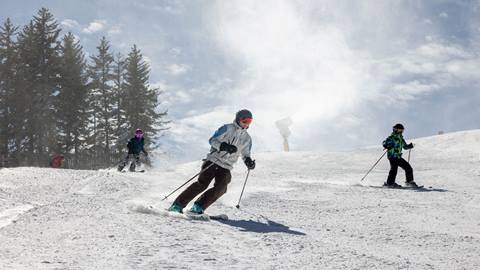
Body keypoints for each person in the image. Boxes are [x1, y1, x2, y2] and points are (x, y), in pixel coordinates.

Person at [168, 109, 256, 214]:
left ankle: (198, 207)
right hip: (213, 161)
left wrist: (248, 162)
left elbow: (245, 154)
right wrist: (224, 146)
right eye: (244, 121)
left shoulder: (247, 138)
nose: (246, 124)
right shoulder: (227, 128)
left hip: (226, 166)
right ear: (238, 119)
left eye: (249, 122)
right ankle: (177, 205)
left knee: (221, 188)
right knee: (202, 184)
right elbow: (213, 140)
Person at [382, 123, 419, 188]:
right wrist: (386, 145)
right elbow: (384, 142)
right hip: (392, 156)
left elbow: (405, 147)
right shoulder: (392, 137)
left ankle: (409, 182)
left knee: (408, 168)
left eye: (402, 131)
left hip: (398, 157)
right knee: (394, 169)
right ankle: (390, 183)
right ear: (395, 130)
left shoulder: (401, 139)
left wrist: (409, 146)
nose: (401, 132)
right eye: (399, 130)